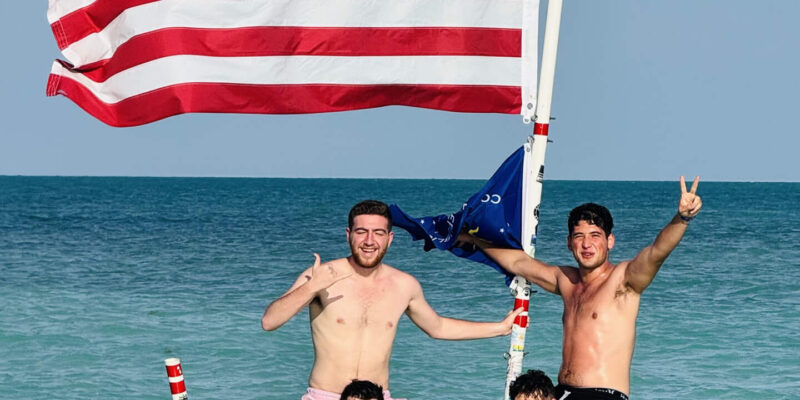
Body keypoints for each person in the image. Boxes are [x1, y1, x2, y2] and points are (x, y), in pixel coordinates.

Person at [463, 176, 702, 399]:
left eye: (595, 235)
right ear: (569, 243)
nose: (586, 244)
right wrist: (473, 239)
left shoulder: (623, 280)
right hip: (564, 392)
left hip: (603, 394)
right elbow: (519, 262)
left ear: (610, 241)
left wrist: (681, 219)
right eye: (579, 236)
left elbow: (656, 252)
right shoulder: (566, 280)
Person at [262, 200, 523, 400]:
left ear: (390, 238)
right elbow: (269, 321)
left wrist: (500, 328)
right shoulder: (320, 276)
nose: (369, 241)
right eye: (361, 232)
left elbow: (437, 327)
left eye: (377, 233)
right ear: (348, 234)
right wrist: (311, 287)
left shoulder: (404, 285)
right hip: (326, 395)